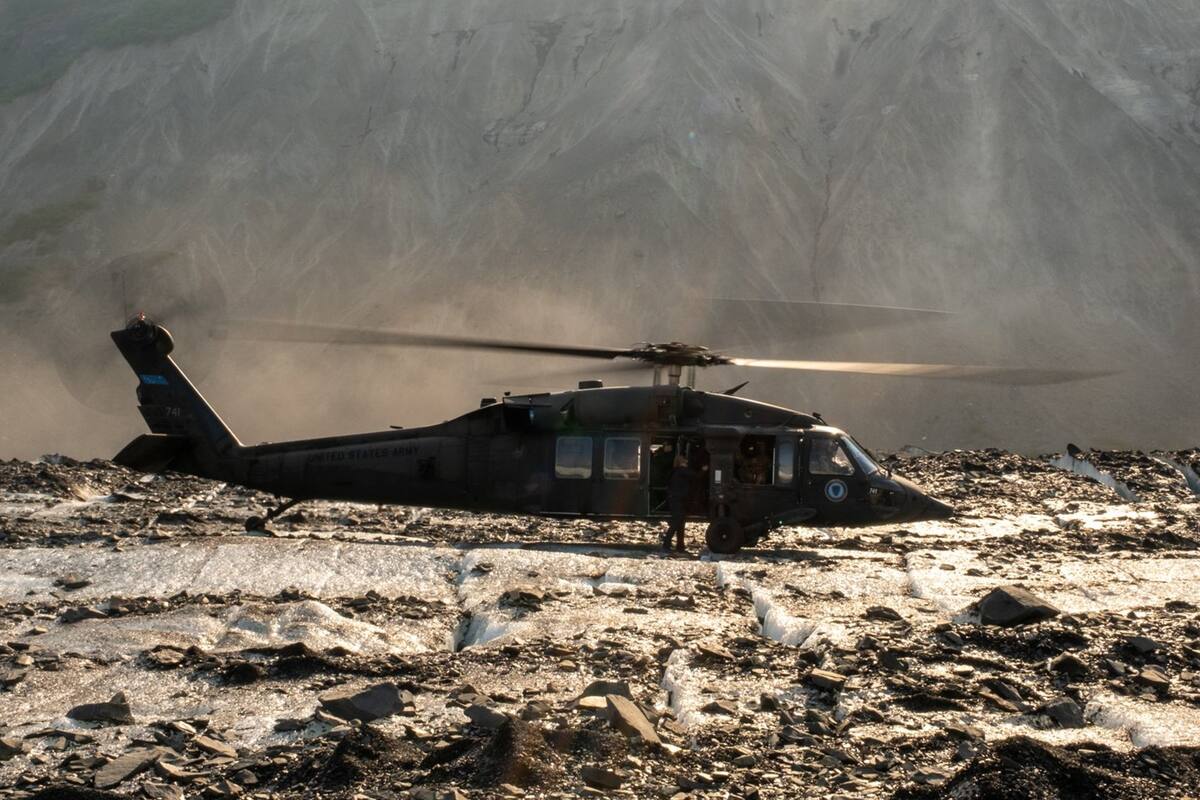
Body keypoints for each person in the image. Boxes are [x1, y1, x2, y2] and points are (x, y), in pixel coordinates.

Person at [662, 455, 698, 552]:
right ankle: (667, 544)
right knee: (677, 523)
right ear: (682, 462)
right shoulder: (682, 471)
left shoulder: (675, 472)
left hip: (675, 501)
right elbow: (695, 475)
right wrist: (703, 470)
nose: (686, 463)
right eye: (685, 461)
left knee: (679, 524)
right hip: (679, 501)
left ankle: (679, 546)